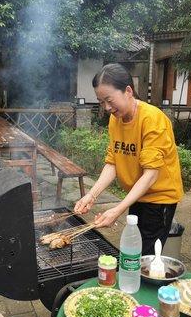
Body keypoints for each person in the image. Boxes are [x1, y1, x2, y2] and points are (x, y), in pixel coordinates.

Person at [74, 63, 184, 255]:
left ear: (128, 91)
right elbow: (113, 162)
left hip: (159, 199)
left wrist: (117, 210)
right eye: (101, 102)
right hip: (138, 195)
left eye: (109, 100)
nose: (107, 108)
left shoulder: (152, 119)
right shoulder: (115, 119)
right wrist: (92, 195)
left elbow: (150, 175)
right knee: (134, 250)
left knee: (145, 256)